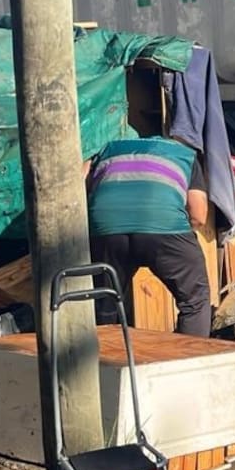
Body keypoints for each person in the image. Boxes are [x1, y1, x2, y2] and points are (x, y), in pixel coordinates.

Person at [84, 136, 213, 336]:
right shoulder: (185, 154)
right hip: (163, 224)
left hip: (106, 226)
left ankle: (101, 361)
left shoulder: (108, 149)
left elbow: (81, 183)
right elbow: (198, 215)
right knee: (194, 300)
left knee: (104, 301)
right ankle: (190, 361)